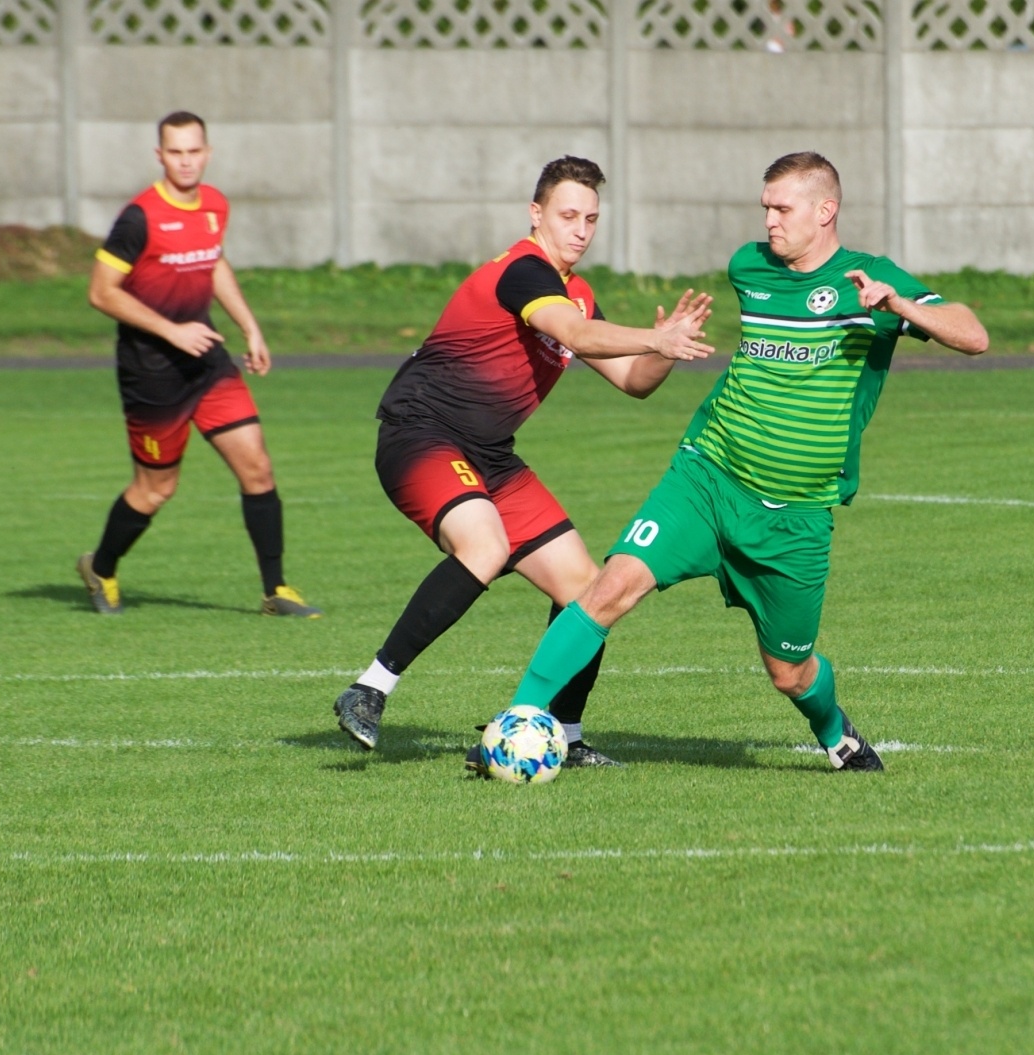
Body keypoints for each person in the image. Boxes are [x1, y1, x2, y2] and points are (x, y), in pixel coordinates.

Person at [491, 151, 988, 771]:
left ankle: (835, 732)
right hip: (708, 475)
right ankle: (515, 725)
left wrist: (903, 308)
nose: (769, 221)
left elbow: (973, 336)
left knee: (789, 671)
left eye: (783, 209)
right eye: (765, 208)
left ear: (825, 210)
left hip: (795, 515)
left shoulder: (871, 279)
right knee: (610, 588)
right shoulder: (748, 267)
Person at [332, 156, 713, 766]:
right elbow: (578, 336)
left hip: (490, 455)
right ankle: (369, 689)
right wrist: (652, 336)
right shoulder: (523, 272)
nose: (581, 230)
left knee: (588, 590)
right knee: (483, 546)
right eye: (568, 215)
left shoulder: (577, 293)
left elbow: (633, 381)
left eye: (591, 219)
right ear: (536, 214)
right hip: (423, 434)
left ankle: (567, 734)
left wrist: (665, 349)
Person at [78, 111, 320, 619]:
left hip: (207, 365)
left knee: (257, 467)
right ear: (160, 156)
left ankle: (275, 590)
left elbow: (213, 262)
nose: (186, 161)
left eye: (194, 151)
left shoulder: (214, 205)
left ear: (207, 153)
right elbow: (101, 293)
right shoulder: (139, 218)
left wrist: (250, 326)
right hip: (152, 375)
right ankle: (100, 567)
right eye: (176, 152)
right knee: (156, 489)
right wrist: (172, 331)